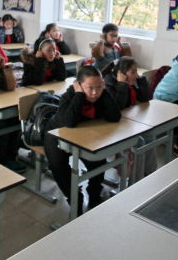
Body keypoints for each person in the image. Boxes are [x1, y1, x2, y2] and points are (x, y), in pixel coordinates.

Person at [45, 66, 121, 213]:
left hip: (84, 136)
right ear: (78, 85)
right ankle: (74, 197)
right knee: (58, 166)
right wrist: (79, 95)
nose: (94, 92)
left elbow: (115, 116)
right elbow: (69, 122)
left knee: (98, 161)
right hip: (56, 135)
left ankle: (94, 194)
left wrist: (104, 91)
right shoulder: (68, 96)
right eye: (89, 87)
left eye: (98, 87)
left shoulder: (101, 94)